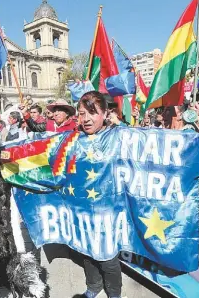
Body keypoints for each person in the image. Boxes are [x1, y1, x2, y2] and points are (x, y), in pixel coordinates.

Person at [76, 91, 123, 298]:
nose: (85, 119)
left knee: (108, 258)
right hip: (82, 208)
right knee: (87, 251)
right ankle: (93, 286)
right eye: (81, 113)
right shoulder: (73, 139)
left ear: (105, 113)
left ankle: (114, 293)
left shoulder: (121, 136)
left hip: (109, 210)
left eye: (92, 112)